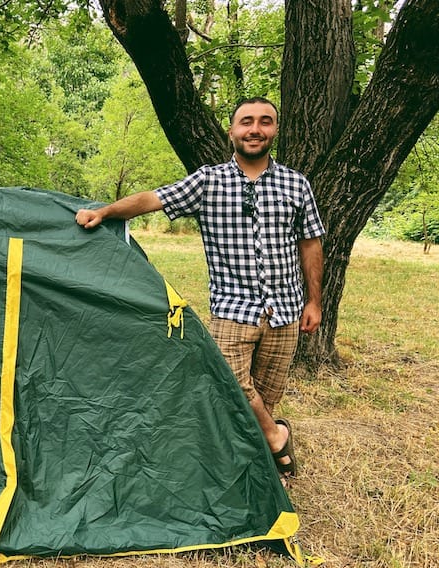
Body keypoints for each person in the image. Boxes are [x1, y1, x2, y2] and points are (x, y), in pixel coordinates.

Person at [75, 97, 324, 485]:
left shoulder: (296, 184)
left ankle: (256, 460)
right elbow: (152, 199)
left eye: (264, 122)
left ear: (275, 129)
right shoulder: (208, 181)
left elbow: (310, 243)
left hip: (287, 310)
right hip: (232, 309)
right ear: (232, 131)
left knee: (267, 395)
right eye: (246, 122)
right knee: (234, 387)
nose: (255, 129)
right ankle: (277, 436)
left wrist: (314, 301)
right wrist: (105, 212)